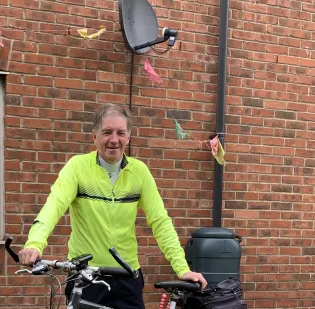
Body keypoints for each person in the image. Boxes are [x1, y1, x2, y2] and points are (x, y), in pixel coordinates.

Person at [18, 103, 207, 309]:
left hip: (127, 276)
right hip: (86, 276)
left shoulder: (139, 172)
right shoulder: (77, 167)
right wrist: (35, 244)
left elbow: (160, 221)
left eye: (120, 133)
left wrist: (181, 268)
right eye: (107, 132)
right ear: (95, 136)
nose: (114, 139)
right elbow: (53, 206)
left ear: (128, 137)